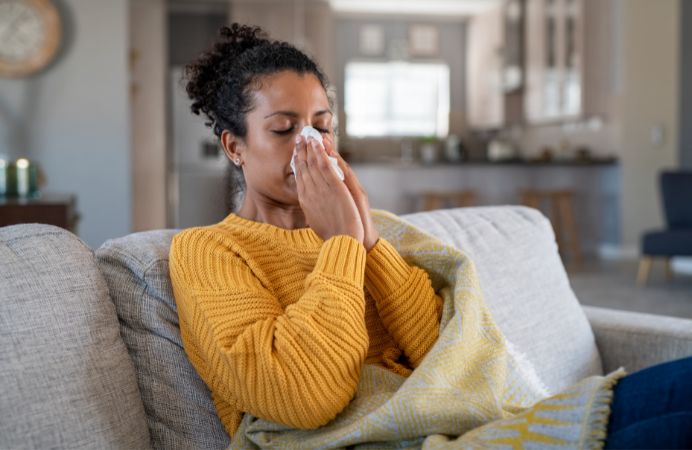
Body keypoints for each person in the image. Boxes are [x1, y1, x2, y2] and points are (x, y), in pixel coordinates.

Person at [169, 23, 692, 449]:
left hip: (467, 424)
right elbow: (305, 397)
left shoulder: (374, 234)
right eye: (284, 130)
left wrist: (368, 239)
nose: (311, 144)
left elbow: (447, 358)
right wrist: (343, 246)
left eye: (322, 127)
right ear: (235, 146)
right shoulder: (209, 252)